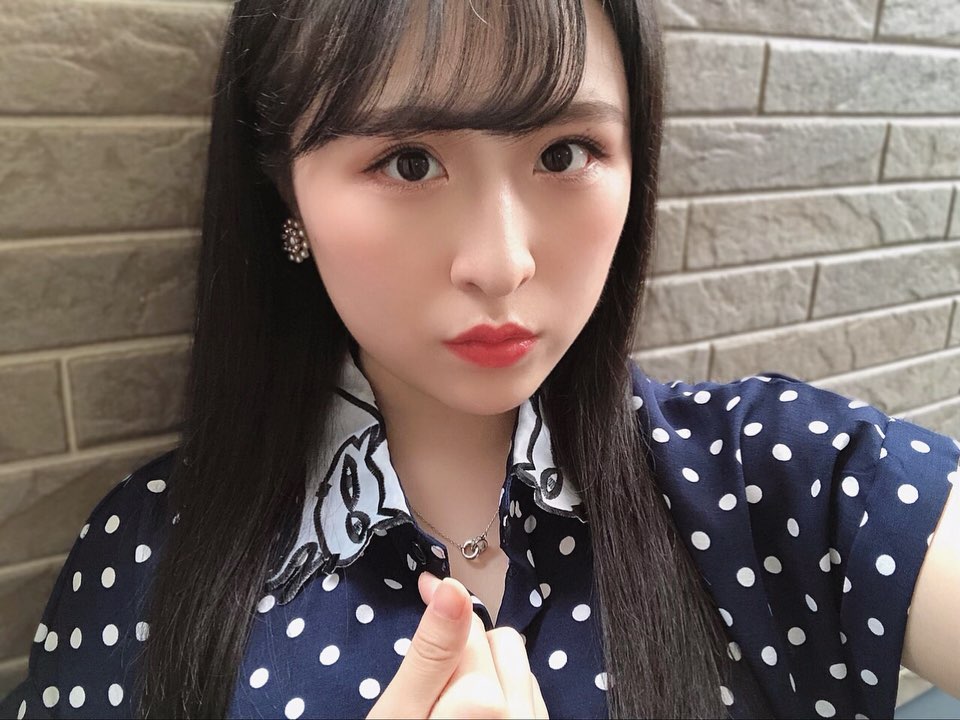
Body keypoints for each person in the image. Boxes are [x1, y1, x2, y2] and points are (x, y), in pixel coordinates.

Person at [2, 0, 958, 718]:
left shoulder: (772, 477)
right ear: (287, 195)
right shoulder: (145, 556)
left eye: (565, 152)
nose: (502, 265)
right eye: (409, 161)